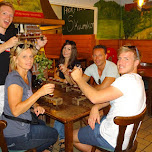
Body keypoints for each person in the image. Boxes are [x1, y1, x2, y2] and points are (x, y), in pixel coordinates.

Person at [71, 45, 146, 152]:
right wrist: (96, 107)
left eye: (126, 59)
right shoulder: (137, 79)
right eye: (119, 58)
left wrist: (79, 79)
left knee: (70, 136)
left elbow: (95, 98)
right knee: (92, 121)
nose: (120, 62)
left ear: (136, 62)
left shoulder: (125, 81)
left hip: (111, 137)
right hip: (126, 137)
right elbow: (110, 97)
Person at [2, 41, 58, 152]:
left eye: (31, 56)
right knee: (54, 134)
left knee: (42, 124)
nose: (29, 60)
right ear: (15, 59)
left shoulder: (27, 73)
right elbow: (16, 111)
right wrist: (39, 93)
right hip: (16, 136)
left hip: (24, 123)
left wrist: (35, 105)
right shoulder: (14, 79)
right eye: (24, 57)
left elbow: (28, 95)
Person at [0, 1, 47, 116]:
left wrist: (37, 46)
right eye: (4, 13)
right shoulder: (8, 41)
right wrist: (6, 44)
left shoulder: (9, 36)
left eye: (11, 15)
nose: (8, 17)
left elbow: (22, 54)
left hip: (4, 84)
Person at [54, 40, 81, 152]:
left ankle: (61, 140)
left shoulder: (76, 65)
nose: (65, 50)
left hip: (73, 95)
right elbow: (55, 76)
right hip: (61, 92)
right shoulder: (59, 62)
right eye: (64, 48)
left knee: (61, 110)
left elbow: (75, 83)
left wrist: (66, 75)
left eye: (69, 49)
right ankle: (58, 139)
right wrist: (63, 79)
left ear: (72, 51)